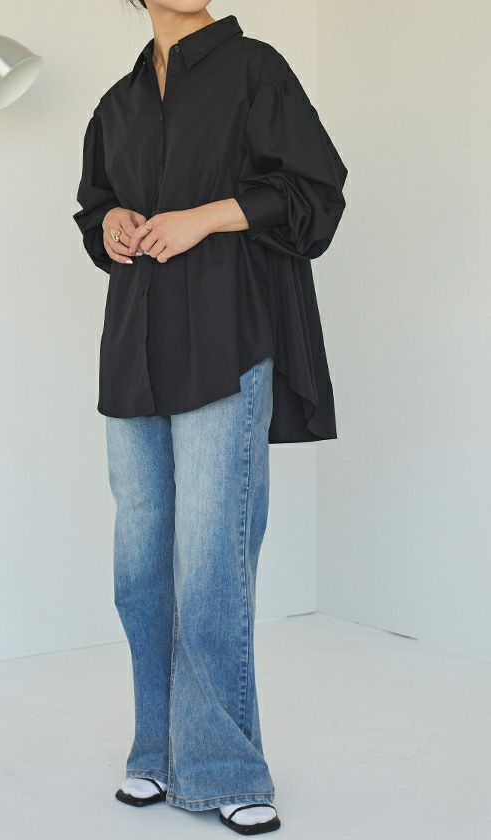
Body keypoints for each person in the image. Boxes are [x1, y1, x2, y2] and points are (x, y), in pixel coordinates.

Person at [72, 1, 347, 834]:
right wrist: (112, 224)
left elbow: (315, 192)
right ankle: (155, 753)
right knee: (140, 568)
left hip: (225, 339)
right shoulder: (117, 103)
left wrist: (207, 215)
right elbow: (95, 207)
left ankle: (225, 765)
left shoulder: (256, 69)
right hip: (136, 350)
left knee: (211, 562)